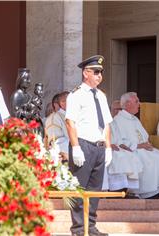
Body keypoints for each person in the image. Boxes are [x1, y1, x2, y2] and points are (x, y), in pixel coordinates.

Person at [65, 55, 112, 236]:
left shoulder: (101, 95)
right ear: (86, 73)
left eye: (101, 72)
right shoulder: (76, 95)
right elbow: (70, 122)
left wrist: (108, 148)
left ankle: (90, 226)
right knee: (79, 188)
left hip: (99, 146)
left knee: (94, 190)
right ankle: (78, 228)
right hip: (83, 144)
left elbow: (106, 123)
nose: (99, 76)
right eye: (96, 72)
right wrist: (75, 147)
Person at [112, 92, 159, 199]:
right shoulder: (117, 120)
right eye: (137, 101)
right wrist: (139, 146)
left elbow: (144, 135)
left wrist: (147, 144)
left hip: (144, 149)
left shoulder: (135, 119)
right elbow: (120, 142)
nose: (139, 104)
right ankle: (149, 192)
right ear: (128, 103)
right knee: (152, 161)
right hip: (133, 150)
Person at [45, 91, 70, 162]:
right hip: (64, 156)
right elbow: (57, 141)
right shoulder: (54, 118)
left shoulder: (70, 116)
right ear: (62, 103)